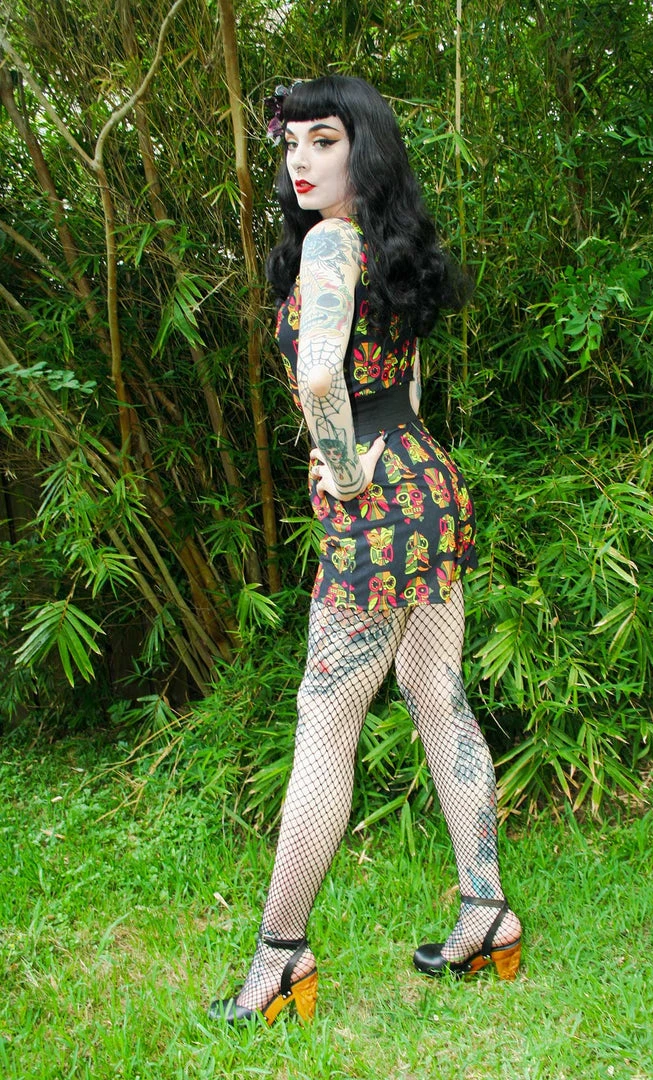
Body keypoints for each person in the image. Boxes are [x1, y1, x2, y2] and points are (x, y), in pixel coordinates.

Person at [209, 75, 521, 1027]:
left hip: (378, 512)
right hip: (428, 486)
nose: (300, 160)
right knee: (439, 697)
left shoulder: (331, 245)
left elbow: (317, 379)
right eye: (291, 142)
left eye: (324, 140)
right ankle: (486, 913)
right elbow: (407, 384)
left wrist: (343, 475)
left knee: (324, 724)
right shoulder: (389, 246)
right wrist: (374, 455)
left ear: (364, 150)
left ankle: (280, 957)